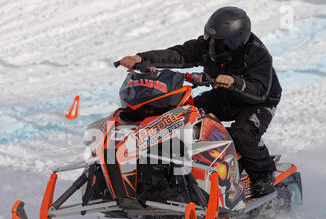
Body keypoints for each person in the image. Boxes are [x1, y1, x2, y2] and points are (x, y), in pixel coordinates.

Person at [118, 6, 282, 197]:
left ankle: (264, 174)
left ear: (240, 39)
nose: (216, 46)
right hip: (225, 95)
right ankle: (169, 167)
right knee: (182, 115)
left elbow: (259, 91)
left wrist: (235, 82)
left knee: (242, 133)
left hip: (257, 102)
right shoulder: (208, 45)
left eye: (224, 42)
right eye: (212, 40)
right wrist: (142, 58)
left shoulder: (258, 54)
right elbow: (180, 54)